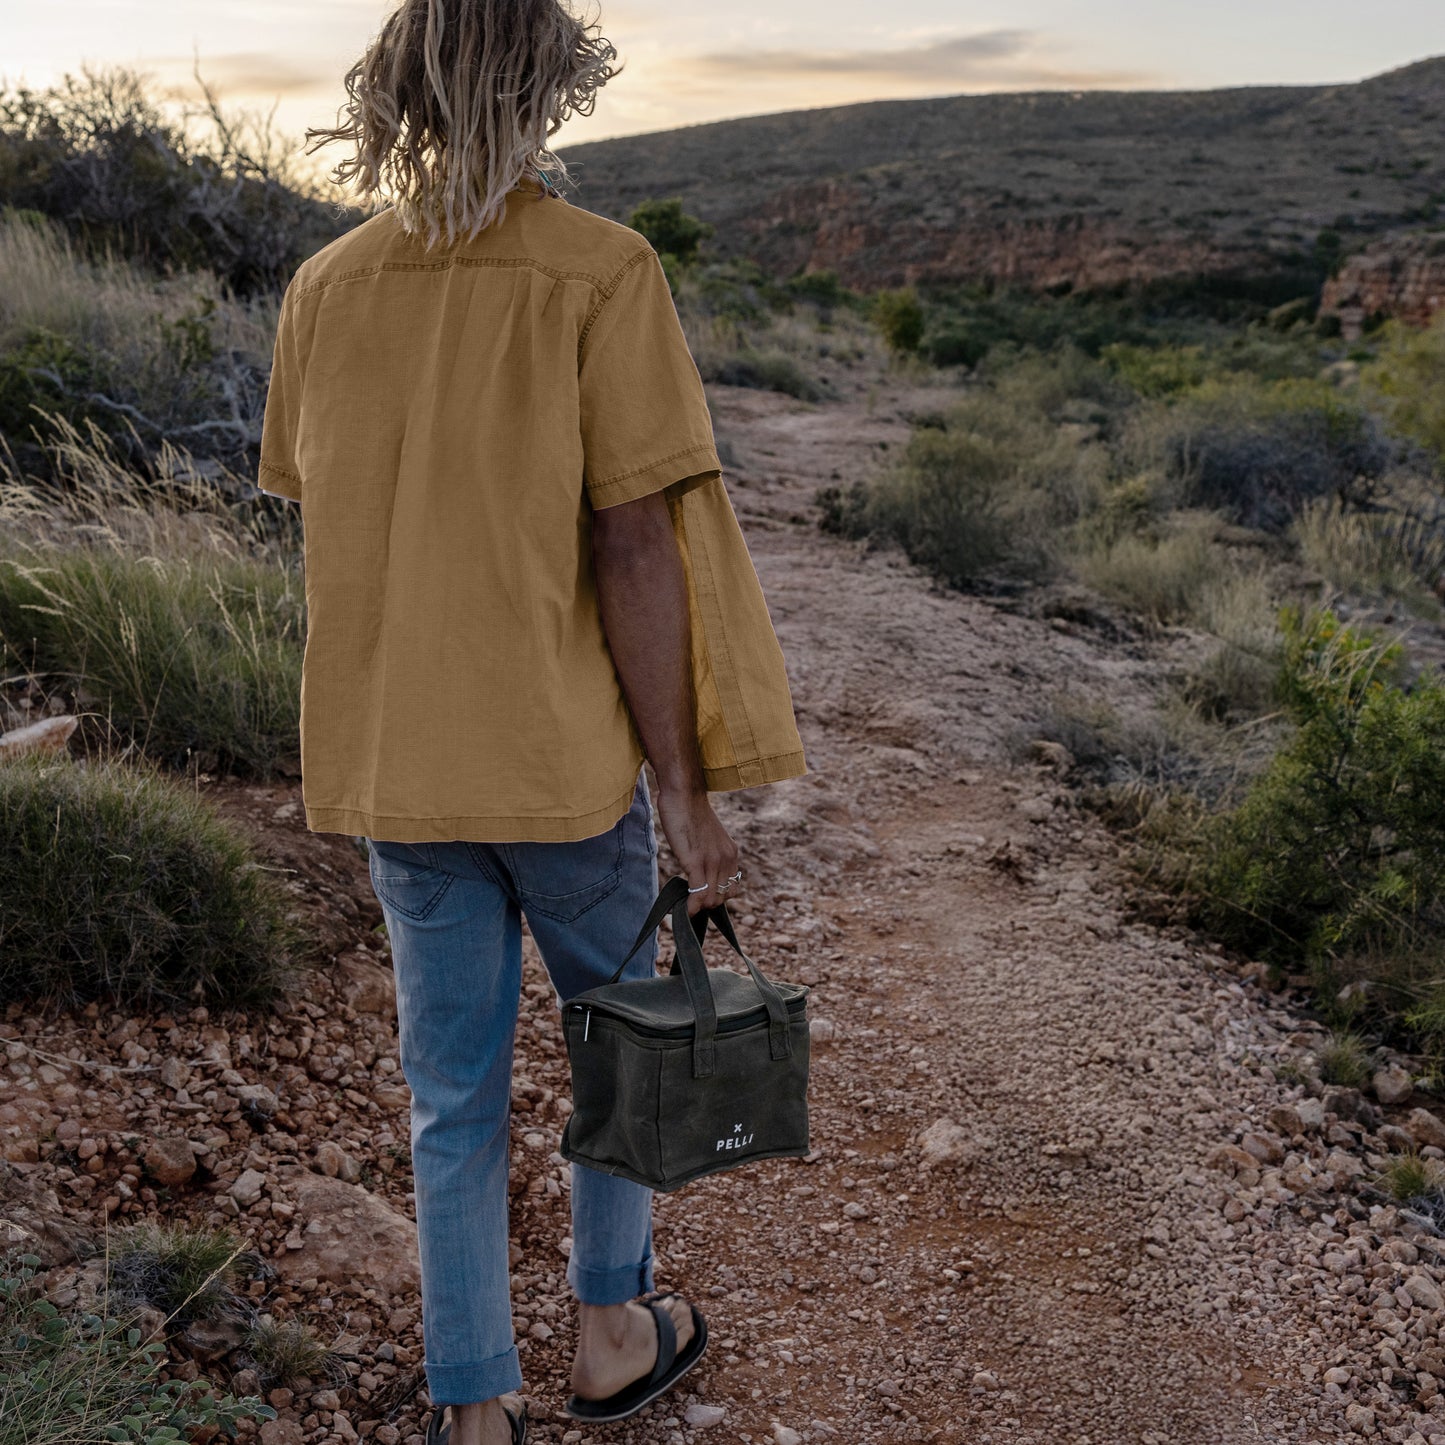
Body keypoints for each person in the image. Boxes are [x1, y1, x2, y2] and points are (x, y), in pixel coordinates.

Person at [255, 2, 809, 1442]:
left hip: (396, 769)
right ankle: (613, 1334)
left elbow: (326, 505)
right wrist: (683, 789)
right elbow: (636, 544)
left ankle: (473, 1406)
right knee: (619, 1048)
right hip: (559, 776)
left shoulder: (325, 285)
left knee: (452, 1098)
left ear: (399, 94)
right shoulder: (600, 272)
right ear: (547, 89)